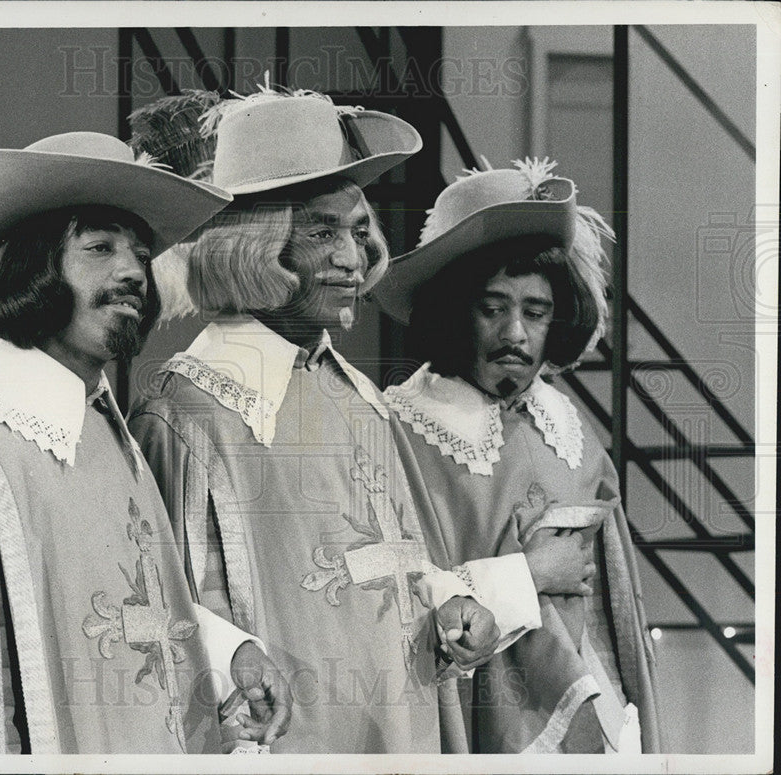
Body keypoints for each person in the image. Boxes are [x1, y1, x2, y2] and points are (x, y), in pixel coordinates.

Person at [0, 131, 292, 754]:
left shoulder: (103, 424)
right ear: (33, 267)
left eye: (140, 252)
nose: (134, 270)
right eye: (100, 247)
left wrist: (229, 652)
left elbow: (130, 611)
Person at [127, 88, 538, 753]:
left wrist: (449, 609)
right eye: (323, 231)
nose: (354, 257)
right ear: (255, 246)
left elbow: (397, 566)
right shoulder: (183, 417)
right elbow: (160, 619)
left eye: (356, 229)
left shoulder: (362, 400)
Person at [374, 158, 661, 753]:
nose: (516, 335)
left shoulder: (574, 431)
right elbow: (386, 591)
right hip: (463, 723)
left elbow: (616, 616)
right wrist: (526, 576)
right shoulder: (395, 426)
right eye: (492, 307)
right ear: (452, 310)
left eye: (535, 312)